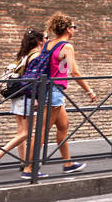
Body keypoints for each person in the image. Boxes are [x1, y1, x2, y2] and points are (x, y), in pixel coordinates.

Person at [26, 13, 96, 176]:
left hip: (48, 89)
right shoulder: (66, 46)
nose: (74, 30)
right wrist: (89, 90)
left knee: (63, 125)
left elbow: (57, 66)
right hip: (54, 91)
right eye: (73, 27)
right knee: (42, 130)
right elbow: (74, 71)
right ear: (67, 29)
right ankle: (29, 168)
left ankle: (68, 163)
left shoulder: (48, 44)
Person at [0, 28, 45, 166]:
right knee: (26, 133)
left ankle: (24, 161)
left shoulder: (24, 54)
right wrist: (35, 97)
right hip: (27, 96)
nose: (47, 41)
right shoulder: (36, 55)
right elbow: (31, 79)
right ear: (39, 41)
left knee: (20, 132)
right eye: (45, 38)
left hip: (18, 96)